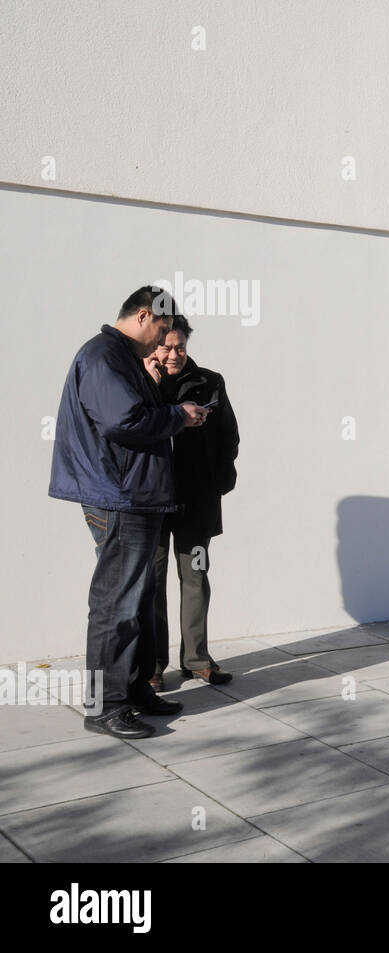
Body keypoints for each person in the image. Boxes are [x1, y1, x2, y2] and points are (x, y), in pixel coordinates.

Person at [49, 286, 210, 739]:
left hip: (134, 493)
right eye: (162, 329)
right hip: (119, 496)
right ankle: (106, 707)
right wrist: (179, 415)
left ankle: (135, 690)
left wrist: (159, 392)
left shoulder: (122, 359)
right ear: (144, 315)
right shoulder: (103, 356)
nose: (162, 341)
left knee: (136, 601)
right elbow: (124, 422)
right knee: (115, 604)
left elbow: (135, 413)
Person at [146, 315, 240, 688]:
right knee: (150, 581)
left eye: (180, 346)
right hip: (149, 502)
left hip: (195, 501)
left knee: (195, 576)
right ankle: (152, 666)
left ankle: (197, 658)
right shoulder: (139, 381)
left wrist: (217, 482)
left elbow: (229, 435)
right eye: (166, 346)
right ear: (154, 345)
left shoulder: (209, 382)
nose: (173, 354)